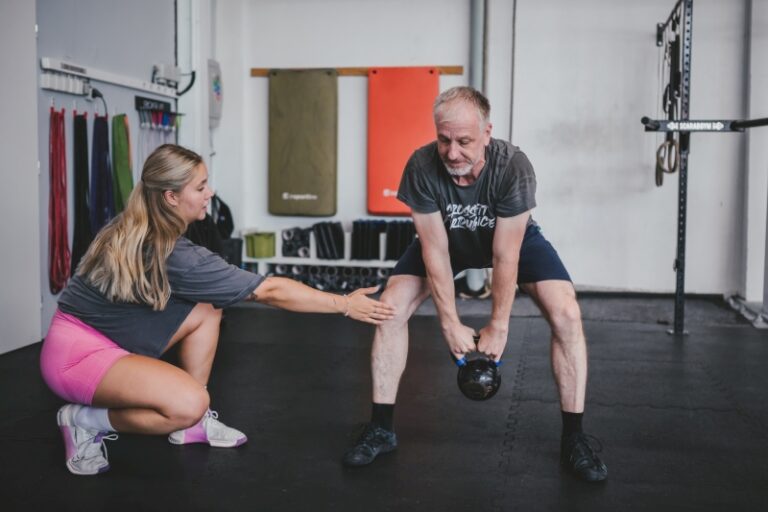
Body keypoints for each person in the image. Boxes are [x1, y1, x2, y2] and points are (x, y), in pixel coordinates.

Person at [40, 144, 395, 476]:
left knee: (208, 305)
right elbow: (270, 290)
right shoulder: (175, 255)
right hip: (75, 360)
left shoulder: (135, 222)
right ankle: (84, 421)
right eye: (200, 187)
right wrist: (344, 303)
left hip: (87, 337)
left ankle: (193, 426)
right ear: (171, 196)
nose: (209, 193)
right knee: (188, 404)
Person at [341, 87, 608, 482]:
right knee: (390, 308)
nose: (452, 153)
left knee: (567, 312)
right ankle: (381, 428)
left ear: (487, 133)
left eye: (464, 141)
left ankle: (575, 437)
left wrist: (499, 325)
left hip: (512, 241)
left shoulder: (513, 166)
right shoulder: (421, 166)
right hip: (448, 241)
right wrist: (449, 323)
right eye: (444, 140)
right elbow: (435, 251)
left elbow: (505, 255)